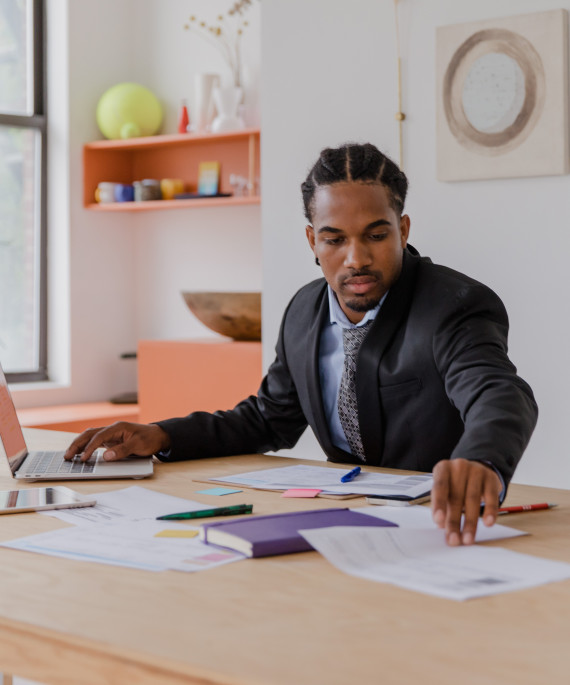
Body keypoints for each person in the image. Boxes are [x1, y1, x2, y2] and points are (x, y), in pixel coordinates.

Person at [65, 143, 538, 546]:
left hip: (436, 527)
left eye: (376, 235)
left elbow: (499, 393)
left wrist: (481, 460)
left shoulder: (453, 305)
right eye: (335, 239)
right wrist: (162, 436)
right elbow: (268, 419)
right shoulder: (303, 312)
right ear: (313, 240)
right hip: (342, 525)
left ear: (404, 230)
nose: (357, 258)